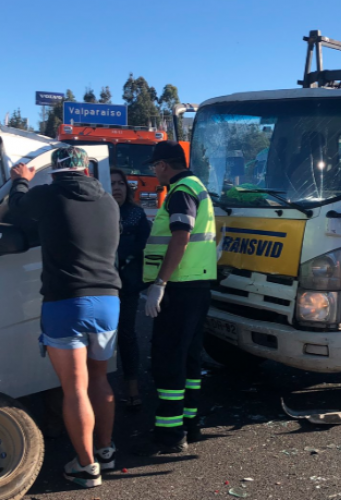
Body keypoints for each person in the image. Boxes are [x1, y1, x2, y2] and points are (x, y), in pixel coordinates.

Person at [8, 147, 121, 488]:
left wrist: (20, 182)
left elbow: (16, 211)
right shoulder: (108, 202)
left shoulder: (48, 195)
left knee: (74, 389)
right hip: (108, 300)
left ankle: (86, 468)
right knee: (100, 379)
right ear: (85, 170)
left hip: (66, 302)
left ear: (55, 172)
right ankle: (106, 451)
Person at [141, 141, 217, 453]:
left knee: (168, 360)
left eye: (154, 167)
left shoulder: (181, 190)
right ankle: (191, 423)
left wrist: (160, 282)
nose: (154, 173)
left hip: (179, 287)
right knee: (188, 359)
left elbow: (180, 237)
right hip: (195, 287)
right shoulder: (197, 185)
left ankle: (169, 435)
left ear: (162, 165)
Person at [110, 168, 151, 409]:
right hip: (101, 286)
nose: (116, 188)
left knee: (126, 335)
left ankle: (131, 387)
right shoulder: (98, 213)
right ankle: (100, 389)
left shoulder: (136, 214)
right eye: (112, 183)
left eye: (121, 184)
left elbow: (143, 245)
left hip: (127, 285)